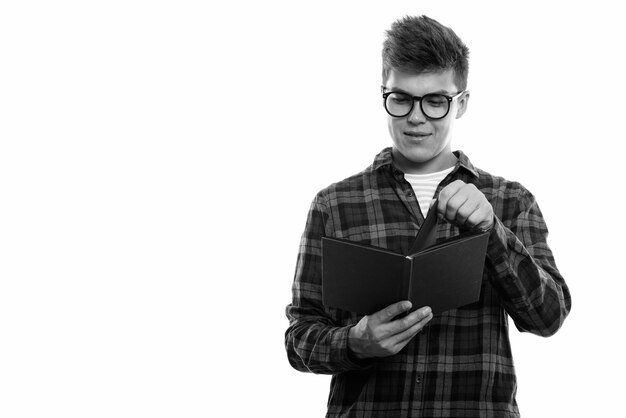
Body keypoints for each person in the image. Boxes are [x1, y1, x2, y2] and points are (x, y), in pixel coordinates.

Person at [284, 15, 571, 418]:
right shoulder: (334, 204)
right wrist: (355, 342)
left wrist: (493, 234)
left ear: (462, 103)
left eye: (436, 101)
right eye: (401, 98)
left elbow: (549, 317)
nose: (416, 117)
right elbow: (298, 339)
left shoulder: (510, 200)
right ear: (383, 94)